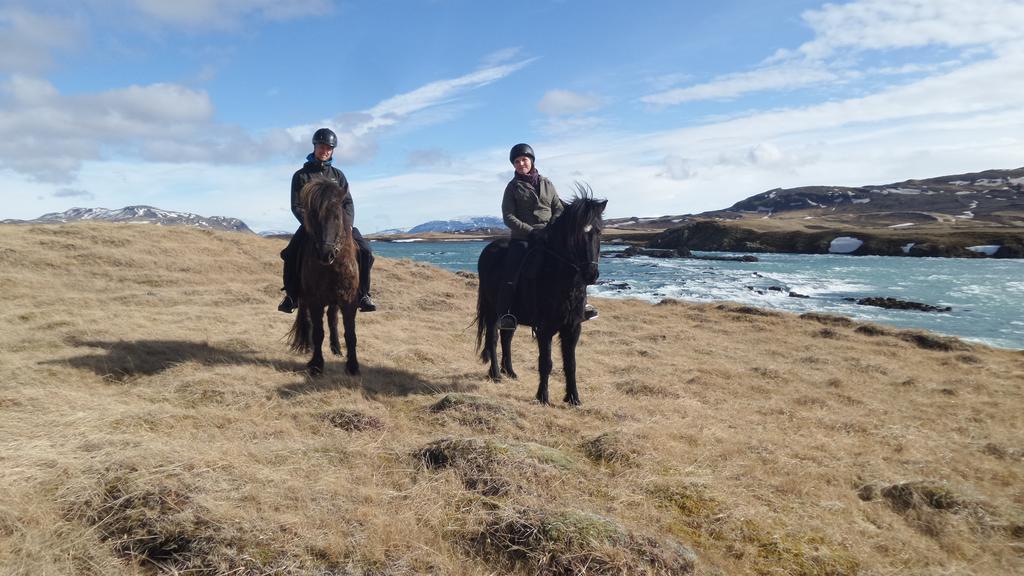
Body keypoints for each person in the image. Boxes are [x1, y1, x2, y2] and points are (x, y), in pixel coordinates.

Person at [497, 143, 597, 331]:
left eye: (524, 160)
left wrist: (552, 228)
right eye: (517, 161)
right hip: (524, 238)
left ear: (531, 160)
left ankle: (582, 305)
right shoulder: (511, 188)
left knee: (575, 265)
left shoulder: (546, 183)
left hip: (548, 236)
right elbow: (508, 216)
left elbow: (558, 207)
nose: (521, 164)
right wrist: (530, 230)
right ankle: (507, 313)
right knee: (511, 272)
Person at [278, 128, 377, 314]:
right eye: (322, 147)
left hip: (339, 227)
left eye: (329, 148)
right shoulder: (301, 176)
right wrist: (311, 224)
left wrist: (345, 226)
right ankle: (291, 296)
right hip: (312, 227)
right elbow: (296, 205)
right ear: (315, 147)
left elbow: (348, 203)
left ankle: (363, 295)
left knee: (366, 252)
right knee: (289, 254)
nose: (325, 151)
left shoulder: (338, 176)